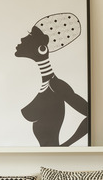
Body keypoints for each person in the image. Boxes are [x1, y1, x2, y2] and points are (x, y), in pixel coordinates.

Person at [15, 13, 88, 147]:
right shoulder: (42, 84)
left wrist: (65, 146)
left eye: (30, 35)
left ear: (41, 49)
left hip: (54, 159)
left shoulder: (56, 85)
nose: (22, 38)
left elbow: (89, 115)